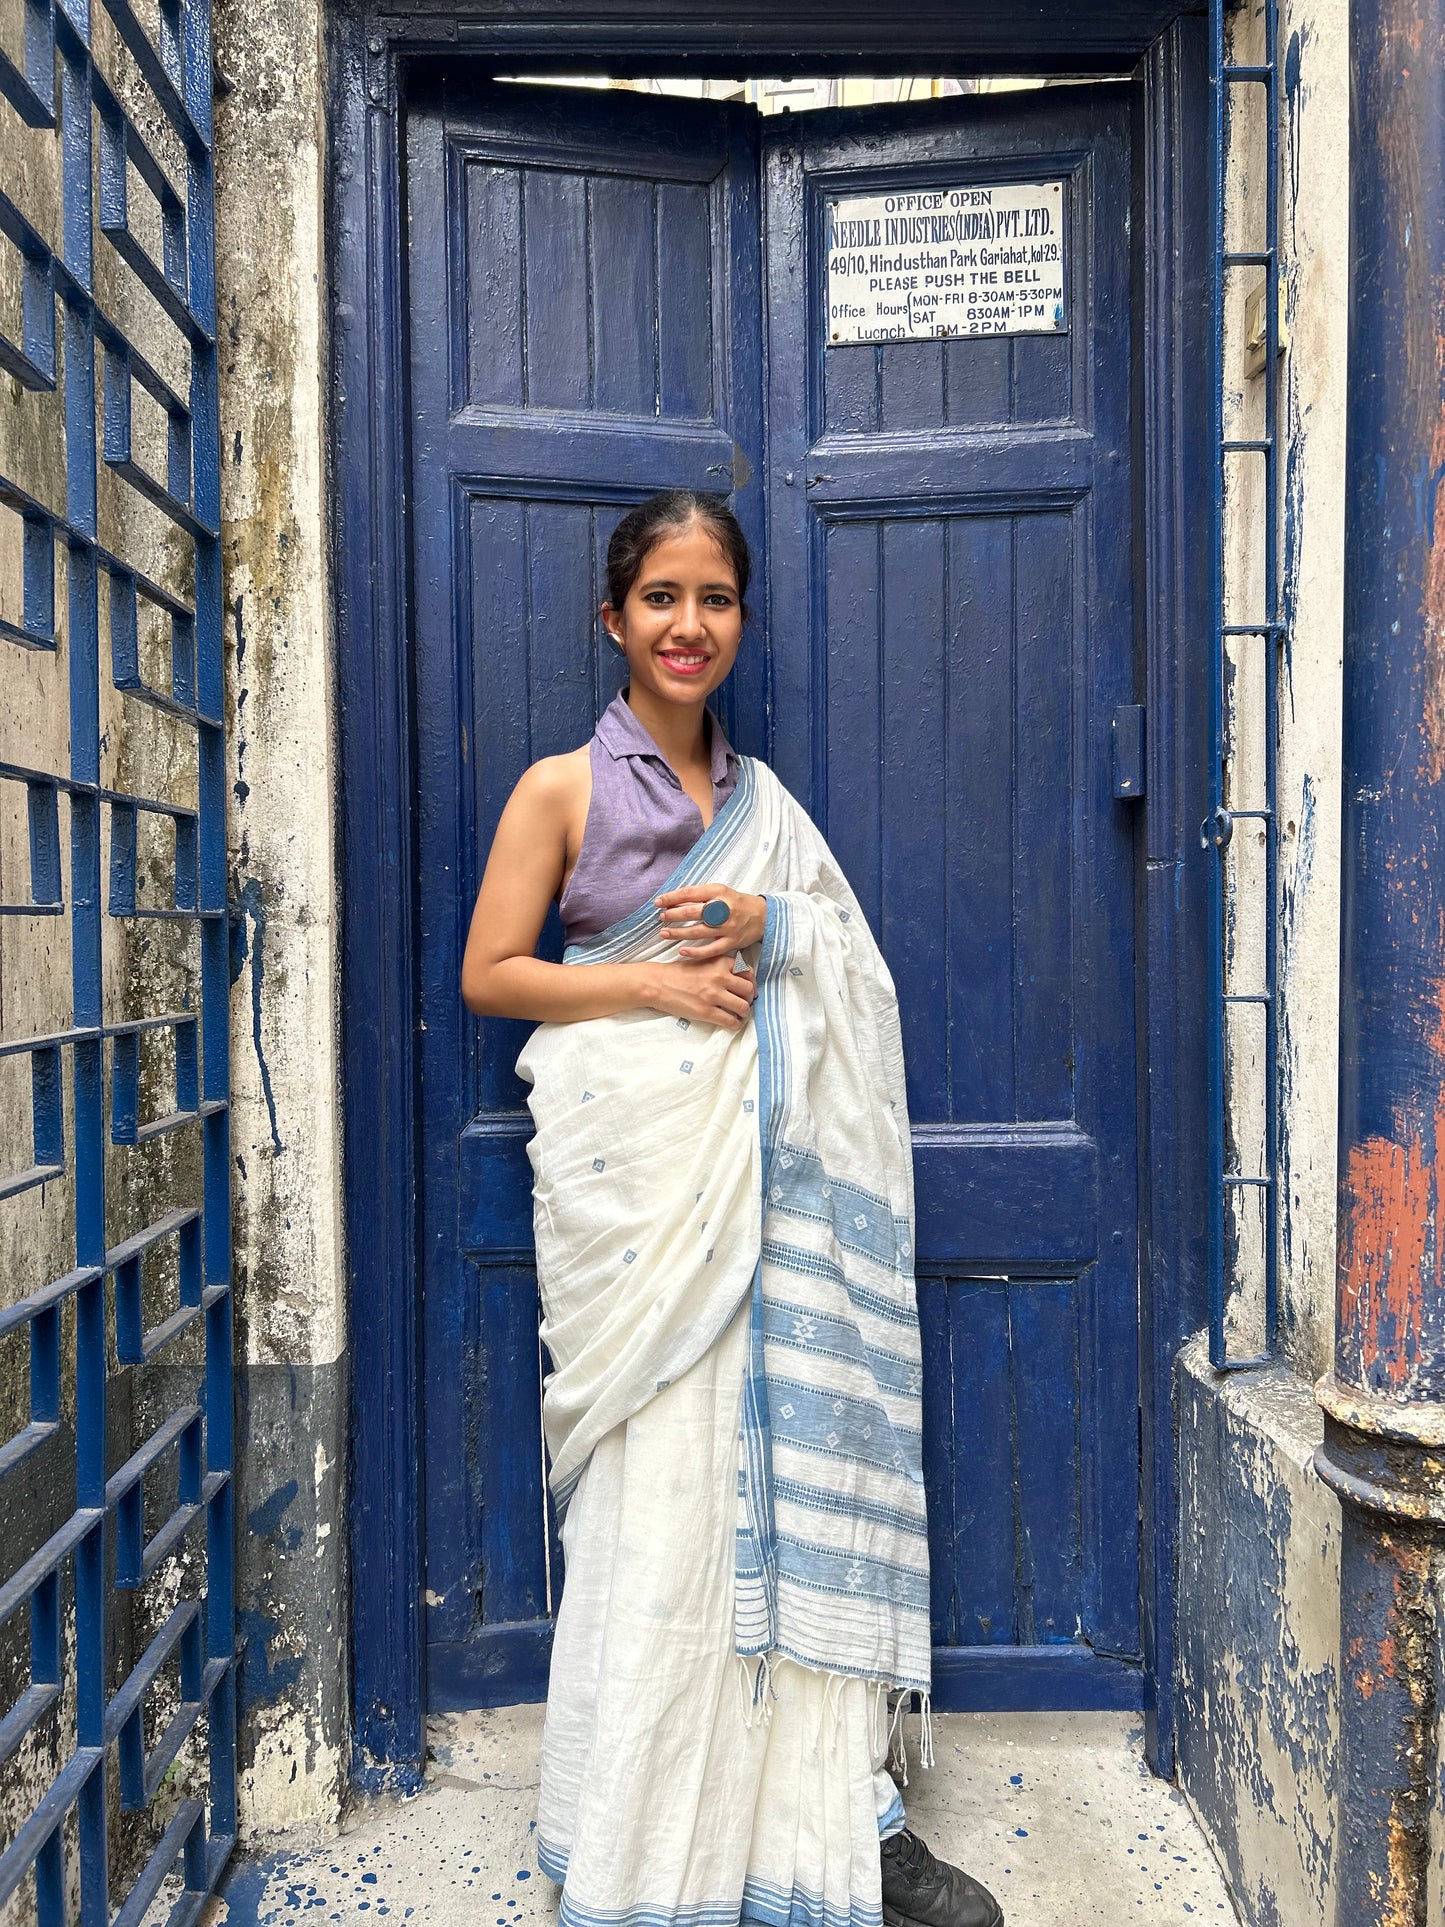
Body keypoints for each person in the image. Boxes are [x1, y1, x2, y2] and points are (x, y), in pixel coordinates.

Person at [461, 490, 1003, 1927]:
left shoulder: (765, 811)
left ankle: (838, 1822)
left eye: (713, 599)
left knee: (771, 1480)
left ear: (739, 621)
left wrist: (779, 928)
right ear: (613, 620)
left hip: (771, 1212)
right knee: (664, 1506)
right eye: (660, 599)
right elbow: (490, 975)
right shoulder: (559, 790)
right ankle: (642, 1833)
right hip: (643, 1208)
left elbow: (852, 972)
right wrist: (649, 982)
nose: (687, 625)